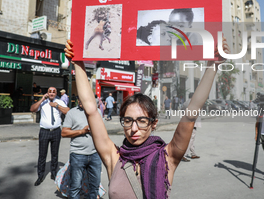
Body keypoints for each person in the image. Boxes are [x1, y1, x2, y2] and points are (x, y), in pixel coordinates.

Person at [64, 37, 229, 198]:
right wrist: (78, 62)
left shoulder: (167, 157)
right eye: (128, 121)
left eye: (142, 121)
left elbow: (191, 112)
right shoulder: (113, 156)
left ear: (154, 123)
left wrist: (213, 65)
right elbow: (91, 110)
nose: (134, 129)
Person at [62, 97, 102, 199]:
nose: (80, 100)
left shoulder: (97, 111)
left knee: (94, 185)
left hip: (95, 154)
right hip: (77, 154)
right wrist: (82, 131)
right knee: (75, 186)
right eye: (78, 98)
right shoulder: (72, 113)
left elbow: (101, 131)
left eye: (83, 98)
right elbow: (64, 132)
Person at [30, 87, 70, 186]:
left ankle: (54, 173)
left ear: (56, 93)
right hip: (44, 131)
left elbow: (68, 112)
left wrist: (57, 106)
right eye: (50, 92)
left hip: (56, 131)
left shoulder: (59, 102)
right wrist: (42, 99)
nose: (51, 93)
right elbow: (32, 109)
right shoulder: (43, 102)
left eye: (53, 92)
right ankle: (40, 176)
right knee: (42, 155)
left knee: (55, 154)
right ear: (47, 93)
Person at [182, 93, 201, 162]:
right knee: (190, 139)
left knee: (191, 139)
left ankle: (193, 154)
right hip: (192, 123)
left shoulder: (185, 103)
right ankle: (184, 155)